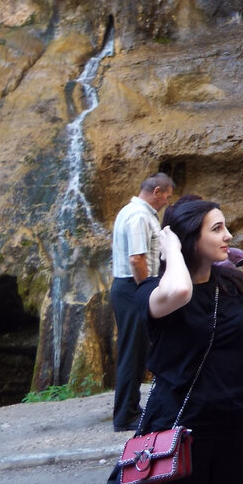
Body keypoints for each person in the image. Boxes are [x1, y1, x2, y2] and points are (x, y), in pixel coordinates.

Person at [134, 197, 243, 484]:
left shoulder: (232, 285)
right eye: (217, 229)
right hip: (182, 427)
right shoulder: (152, 292)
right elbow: (182, 290)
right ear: (191, 238)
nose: (228, 236)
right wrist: (171, 248)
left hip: (234, 422)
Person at [110, 172, 174, 431]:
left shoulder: (133, 211)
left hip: (128, 287)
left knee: (136, 352)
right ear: (156, 191)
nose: (166, 202)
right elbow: (137, 258)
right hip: (132, 287)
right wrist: (146, 289)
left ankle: (132, 408)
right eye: (166, 197)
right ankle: (125, 415)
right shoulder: (138, 216)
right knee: (132, 353)